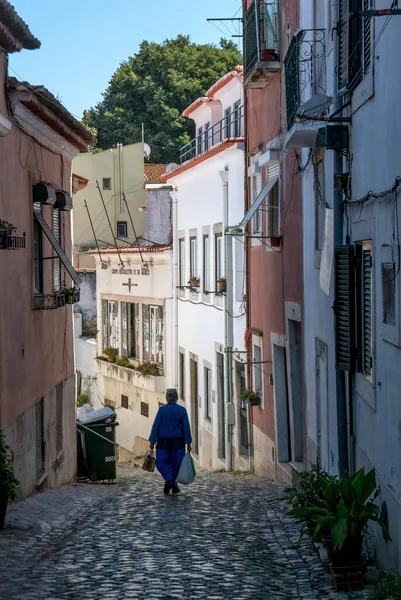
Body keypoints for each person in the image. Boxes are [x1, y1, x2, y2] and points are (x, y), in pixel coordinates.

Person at [149, 388, 192, 495]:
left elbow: (156, 426)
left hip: (163, 443)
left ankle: (170, 481)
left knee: (162, 462)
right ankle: (172, 482)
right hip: (178, 443)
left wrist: (152, 440)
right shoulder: (182, 410)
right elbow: (186, 427)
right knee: (176, 464)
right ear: (176, 397)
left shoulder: (162, 410)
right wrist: (189, 442)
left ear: (167, 397)